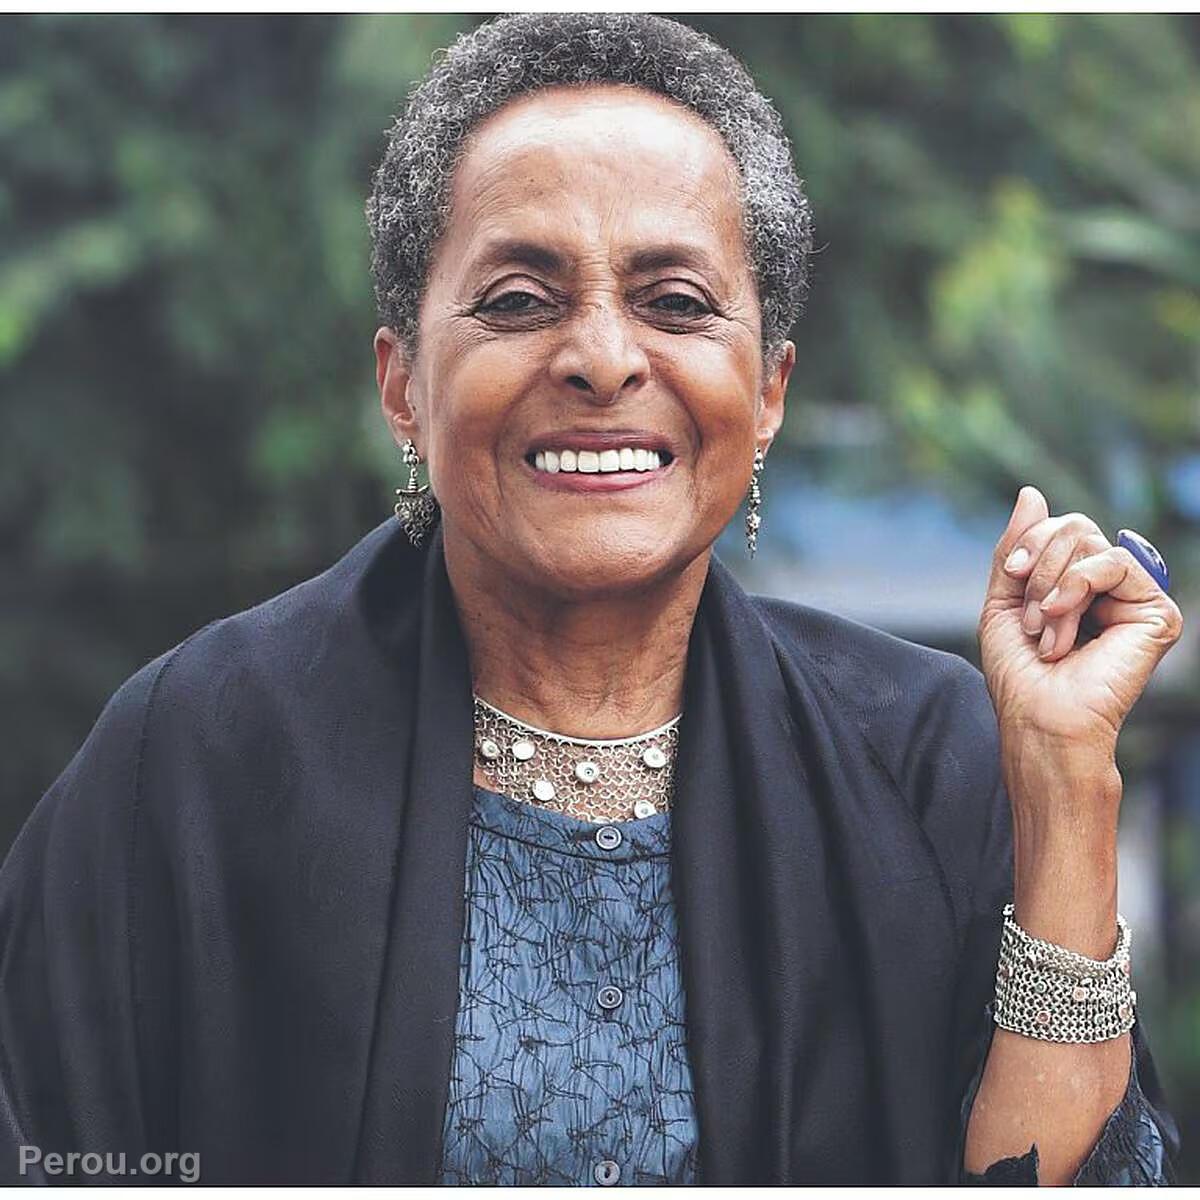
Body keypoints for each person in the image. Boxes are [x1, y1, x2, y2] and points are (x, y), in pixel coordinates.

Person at [0, 13, 1184, 1187]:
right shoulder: (198, 757)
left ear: (768, 393)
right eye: (520, 300)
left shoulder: (923, 764)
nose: (604, 358)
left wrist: (1065, 783)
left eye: (677, 302)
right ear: (403, 385)